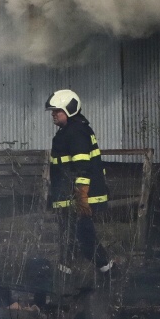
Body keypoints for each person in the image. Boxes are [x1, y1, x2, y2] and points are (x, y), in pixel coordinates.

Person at [46, 89, 112, 274]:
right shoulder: (69, 131)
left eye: (57, 110)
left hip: (79, 197)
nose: (53, 114)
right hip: (69, 196)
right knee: (68, 236)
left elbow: (83, 166)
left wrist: (81, 194)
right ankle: (64, 272)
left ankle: (109, 271)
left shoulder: (76, 132)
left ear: (69, 110)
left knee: (84, 236)